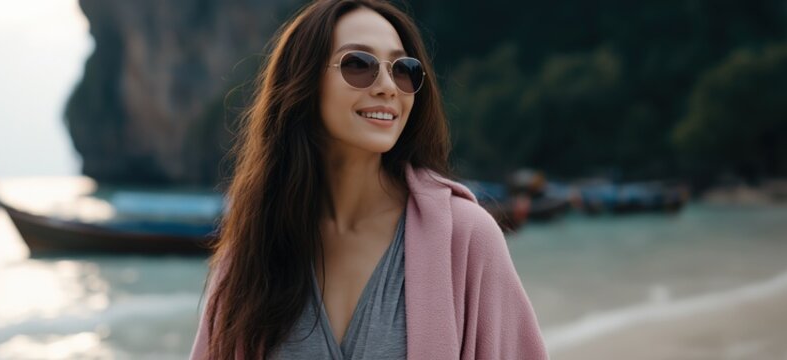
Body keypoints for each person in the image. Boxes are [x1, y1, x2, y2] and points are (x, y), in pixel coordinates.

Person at [190, 1, 547, 358]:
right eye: (359, 65)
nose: (388, 86)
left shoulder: (466, 237)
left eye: (404, 70)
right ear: (304, 82)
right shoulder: (252, 248)